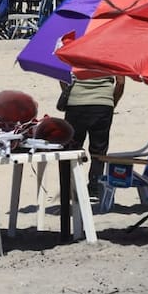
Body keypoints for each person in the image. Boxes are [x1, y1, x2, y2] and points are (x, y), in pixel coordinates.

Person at [60, 75, 125, 204]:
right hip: (103, 103)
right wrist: (112, 102)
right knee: (99, 150)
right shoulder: (113, 54)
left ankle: (69, 188)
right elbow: (120, 82)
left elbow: (62, 77)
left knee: (71, 149)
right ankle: (94, 189)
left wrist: (71, 94)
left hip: (76, 103)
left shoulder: (72, 53)